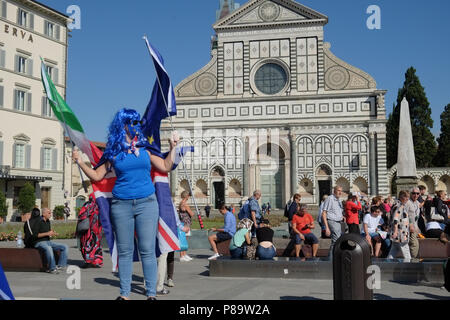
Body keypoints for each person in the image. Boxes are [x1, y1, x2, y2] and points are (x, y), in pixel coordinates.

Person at [72, 108, 179, 301]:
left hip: (147, 203)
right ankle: (124, 294)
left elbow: (165, 166)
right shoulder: (113, 152)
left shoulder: (146, 148)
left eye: (138, 122)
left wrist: (173, 148)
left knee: (147, 249)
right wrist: (80, 162)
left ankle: (151, 294)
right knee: (125, 250)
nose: (137, 126)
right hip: (121, 205)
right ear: (123, 126)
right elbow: (97, 175)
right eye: (134, 122)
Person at [33, 208, 69, 274]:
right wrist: (47, 233)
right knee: (48, 248)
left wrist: (52, 232)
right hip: (39, 242)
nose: (50, 214)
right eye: (49, 213)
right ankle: (52, 268)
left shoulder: (48, 221)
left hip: (47, 241)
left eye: (50, 213)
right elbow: (35, 235)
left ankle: (61, 266)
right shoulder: (38, 221)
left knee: (65, 246)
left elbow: (48, 231)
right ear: (44, 214)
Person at [387, 190, 412, 262]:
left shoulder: (395, 204)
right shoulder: (399, 206)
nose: (407, 199)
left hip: (399, 232)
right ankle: (409, 266)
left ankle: (388, 264)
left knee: (394, 250)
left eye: (408, 197)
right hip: (401, 233)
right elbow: (395, 219)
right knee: (406, 251)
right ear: (401, 197)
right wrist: (395, 232)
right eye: (406, 197)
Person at [321, 186, 344, 258]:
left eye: (341, 191)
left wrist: (342, 216)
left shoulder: (339, 200)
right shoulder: (330, 199)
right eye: (338, 190)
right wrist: (326, 227)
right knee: (336, 241)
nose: (340, 192)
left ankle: (334, 258)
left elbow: (337, 210)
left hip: (339, 222)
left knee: (337, 240)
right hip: (332, 221)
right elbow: (324, 213)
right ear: (334, 191)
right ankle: (331, 259)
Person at [179, 191, 195, 262]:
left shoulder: (181, 203)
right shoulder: (185, 204)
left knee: (184, 239)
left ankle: (184, 254)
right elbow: (191, 214)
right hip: (186, 223)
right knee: (183, 239)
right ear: (186, 196)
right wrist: (193, 212)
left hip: (183, 222)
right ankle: (182, 255)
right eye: (188, 195)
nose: (189, 197)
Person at [407, 188, 421, 259]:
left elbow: (416, 217)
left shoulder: (417, 203)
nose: (416, 195)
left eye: (417, 193)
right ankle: (413, 261)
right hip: (408, 228)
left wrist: (417, 228)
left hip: (414, 228)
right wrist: (410, 224)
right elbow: (405, 215)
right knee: (414, 245)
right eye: (413, 193)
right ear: (410, 194)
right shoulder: (407, 202)